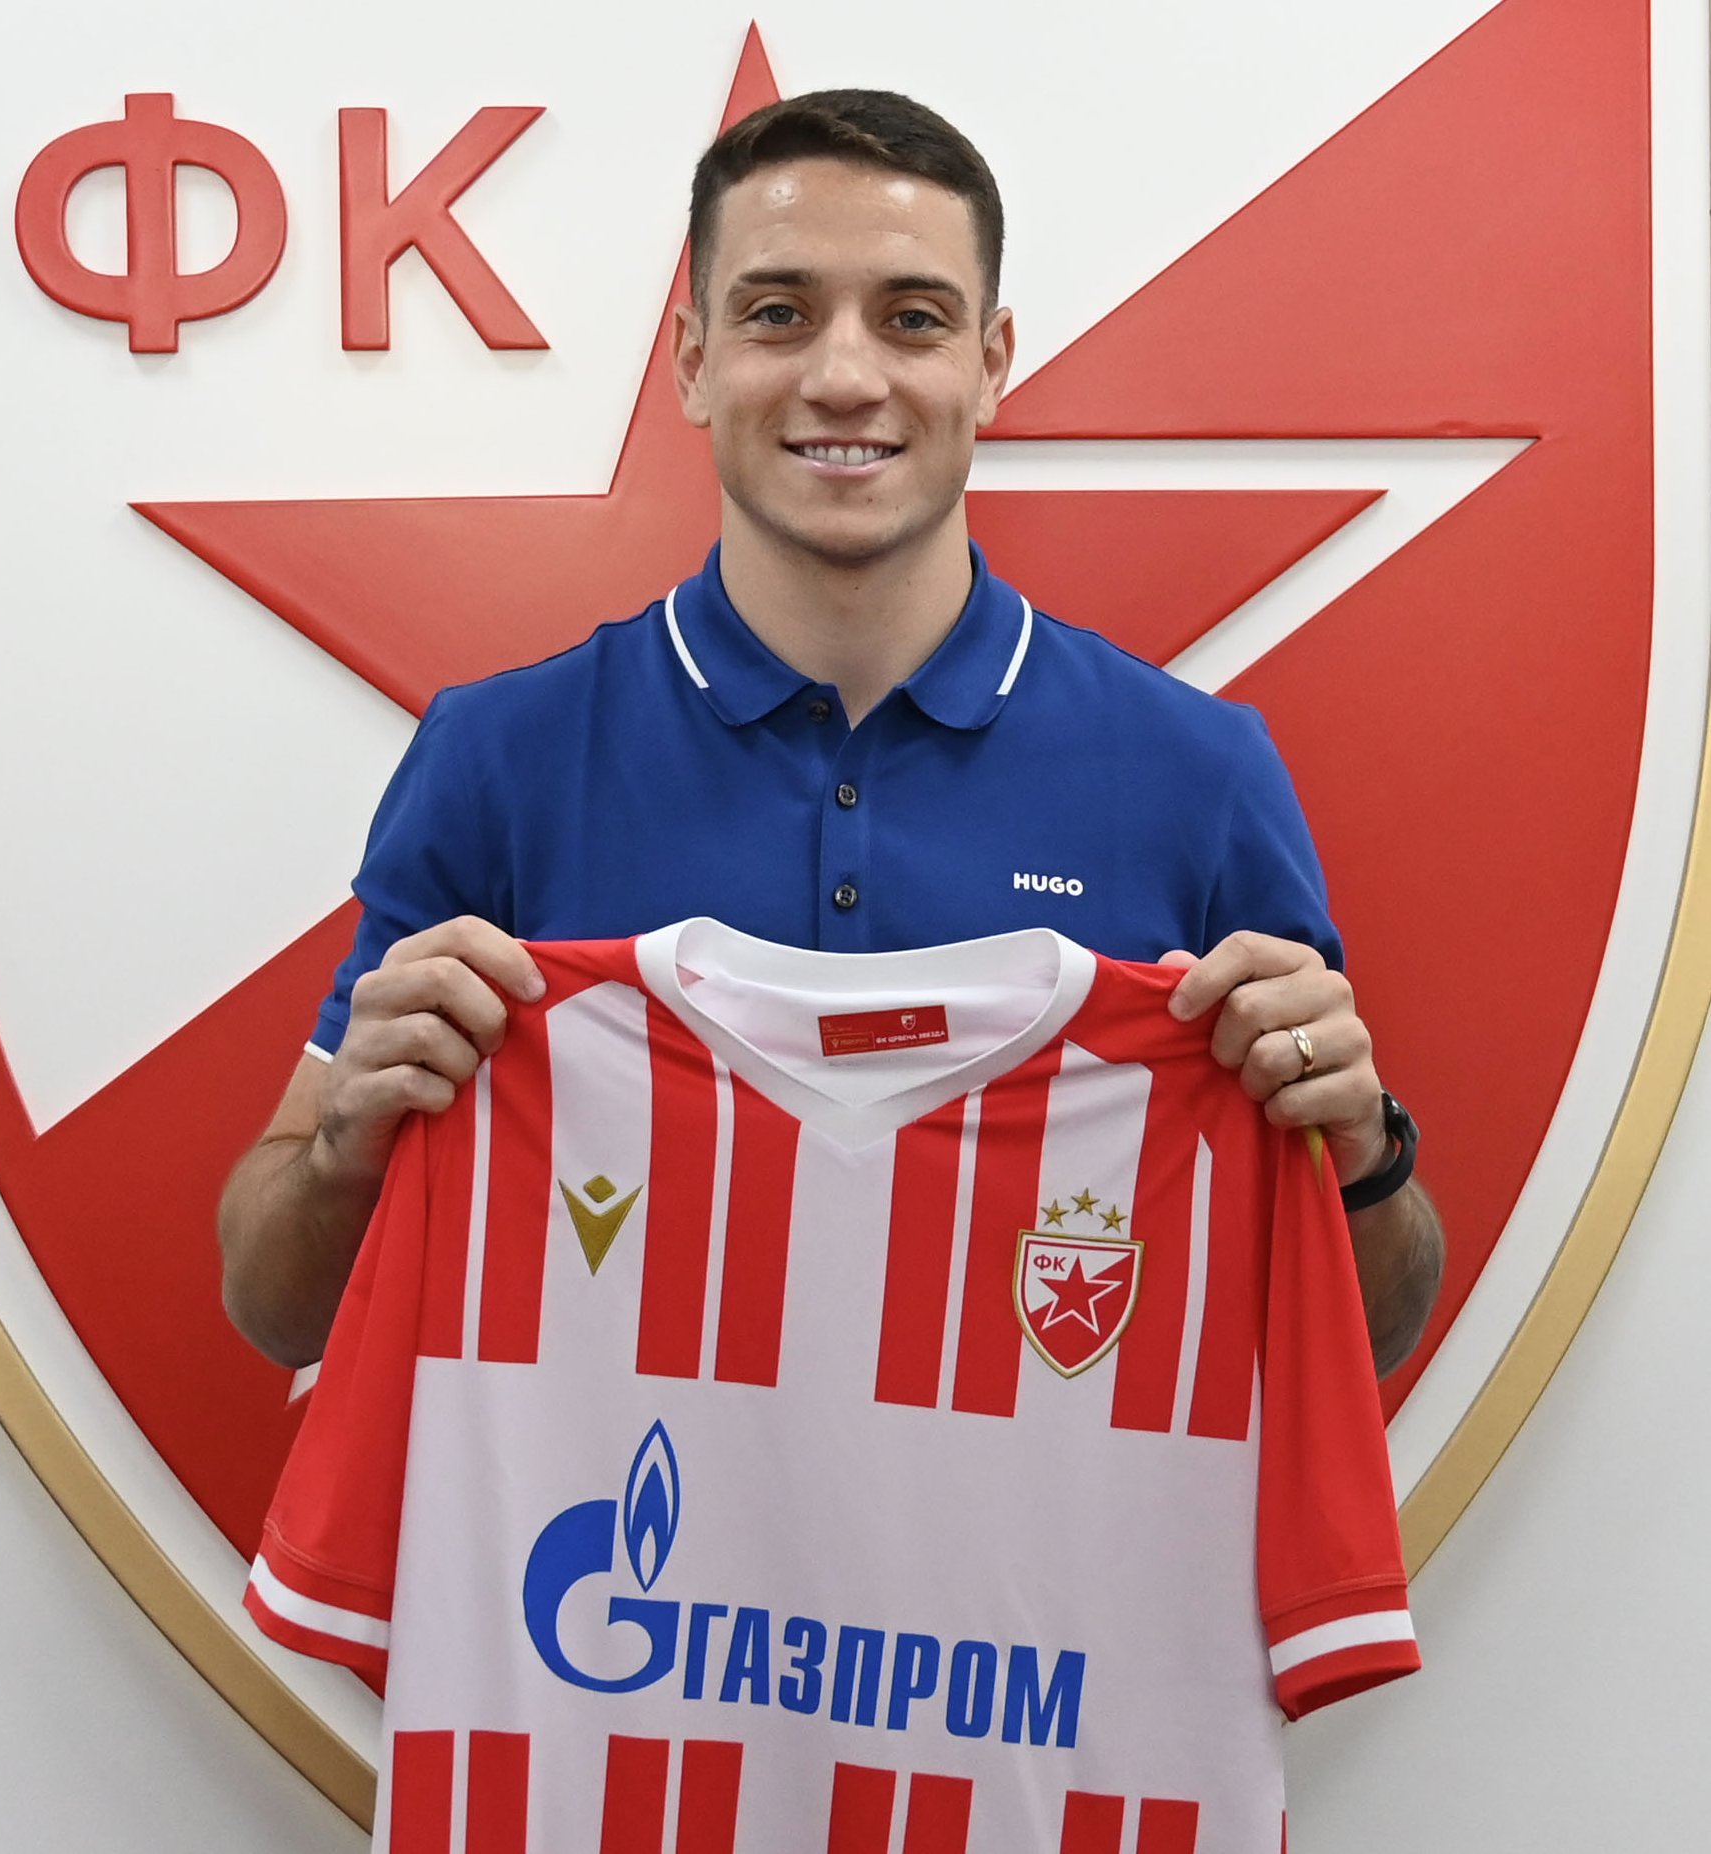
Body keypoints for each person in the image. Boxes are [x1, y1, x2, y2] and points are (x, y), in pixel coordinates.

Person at [217, 89, 1444, 1378]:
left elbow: (1373, 1337)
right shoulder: (499, 757)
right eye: (777, 313)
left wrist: (1362, 1153)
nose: (846, 377)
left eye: (913, 319)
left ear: (991, 363)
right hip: (622, 1516)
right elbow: (276, 1310)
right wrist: (348, 1147)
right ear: (694, 361)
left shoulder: (1201, 775)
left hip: (1020, 1513)